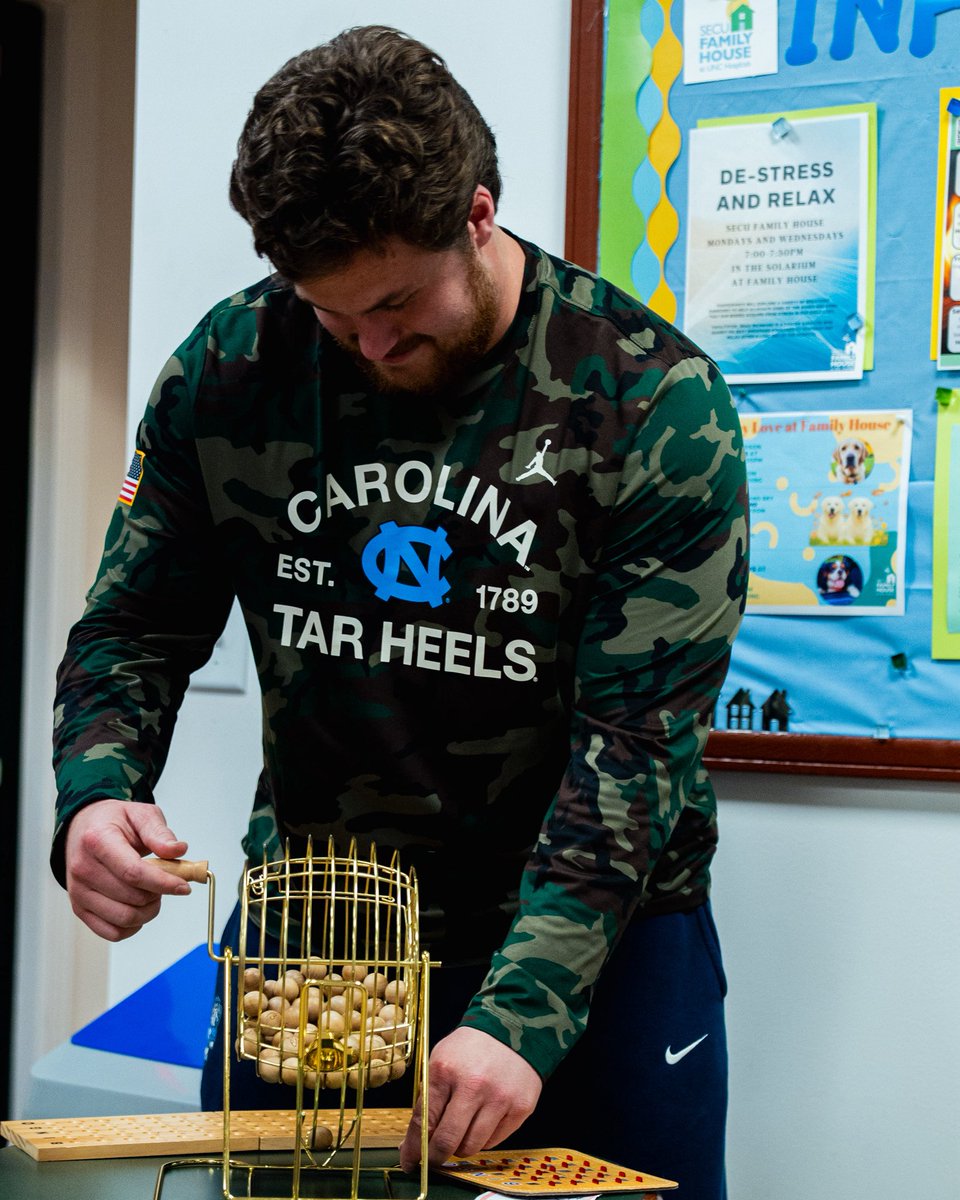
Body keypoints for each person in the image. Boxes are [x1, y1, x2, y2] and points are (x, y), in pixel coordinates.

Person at [52, 25, 747, 1197]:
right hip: (320, 939)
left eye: (397, 304)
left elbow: (633, 752)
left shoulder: (651, 404)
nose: (371, 345)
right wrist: (97, 791)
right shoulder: (230, 368)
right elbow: (132, 626)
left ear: (478, 213)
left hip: (592, 945)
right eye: (331, 314)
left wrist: (521, 1015)